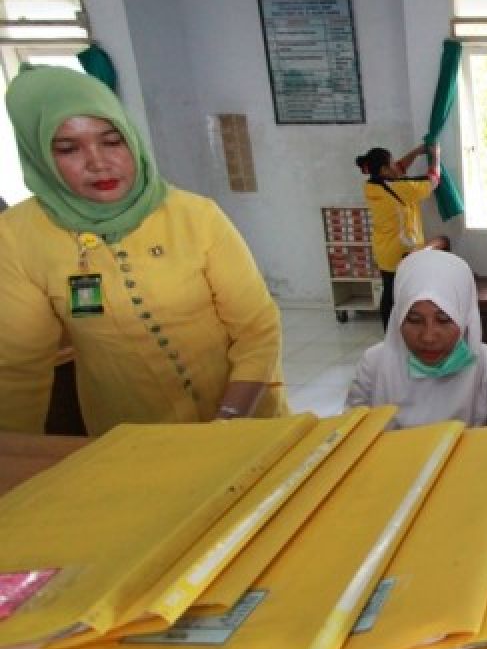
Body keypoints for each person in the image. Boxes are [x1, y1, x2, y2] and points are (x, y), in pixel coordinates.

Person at [0, 66, 286, 435]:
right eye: (68, 149)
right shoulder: (19, 237)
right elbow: (19, 369)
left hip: (248, 421)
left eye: (112, 141)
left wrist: (227, 422)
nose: (98, 162)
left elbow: (257, 329)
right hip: (134, 437)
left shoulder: (195, 216)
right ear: (38, 155)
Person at [345, 249, 487, 428]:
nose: (428, 337)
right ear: (398, 317)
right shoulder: (374, 365)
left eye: (444, 320)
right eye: (414, 320)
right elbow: (352, 436)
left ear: (465, 317)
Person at [357, 143, 442, 332]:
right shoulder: (398, 188)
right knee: (405, 296)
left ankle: (389, 333)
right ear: (384, 169)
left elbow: (398, 170)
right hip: (402, 252)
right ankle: (401, 333)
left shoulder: (372, 185)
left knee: (389, 292)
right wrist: (436, 157)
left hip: (384, 251)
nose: (397, 165)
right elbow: (433, 181)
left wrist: (417, 151)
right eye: (392, 163)